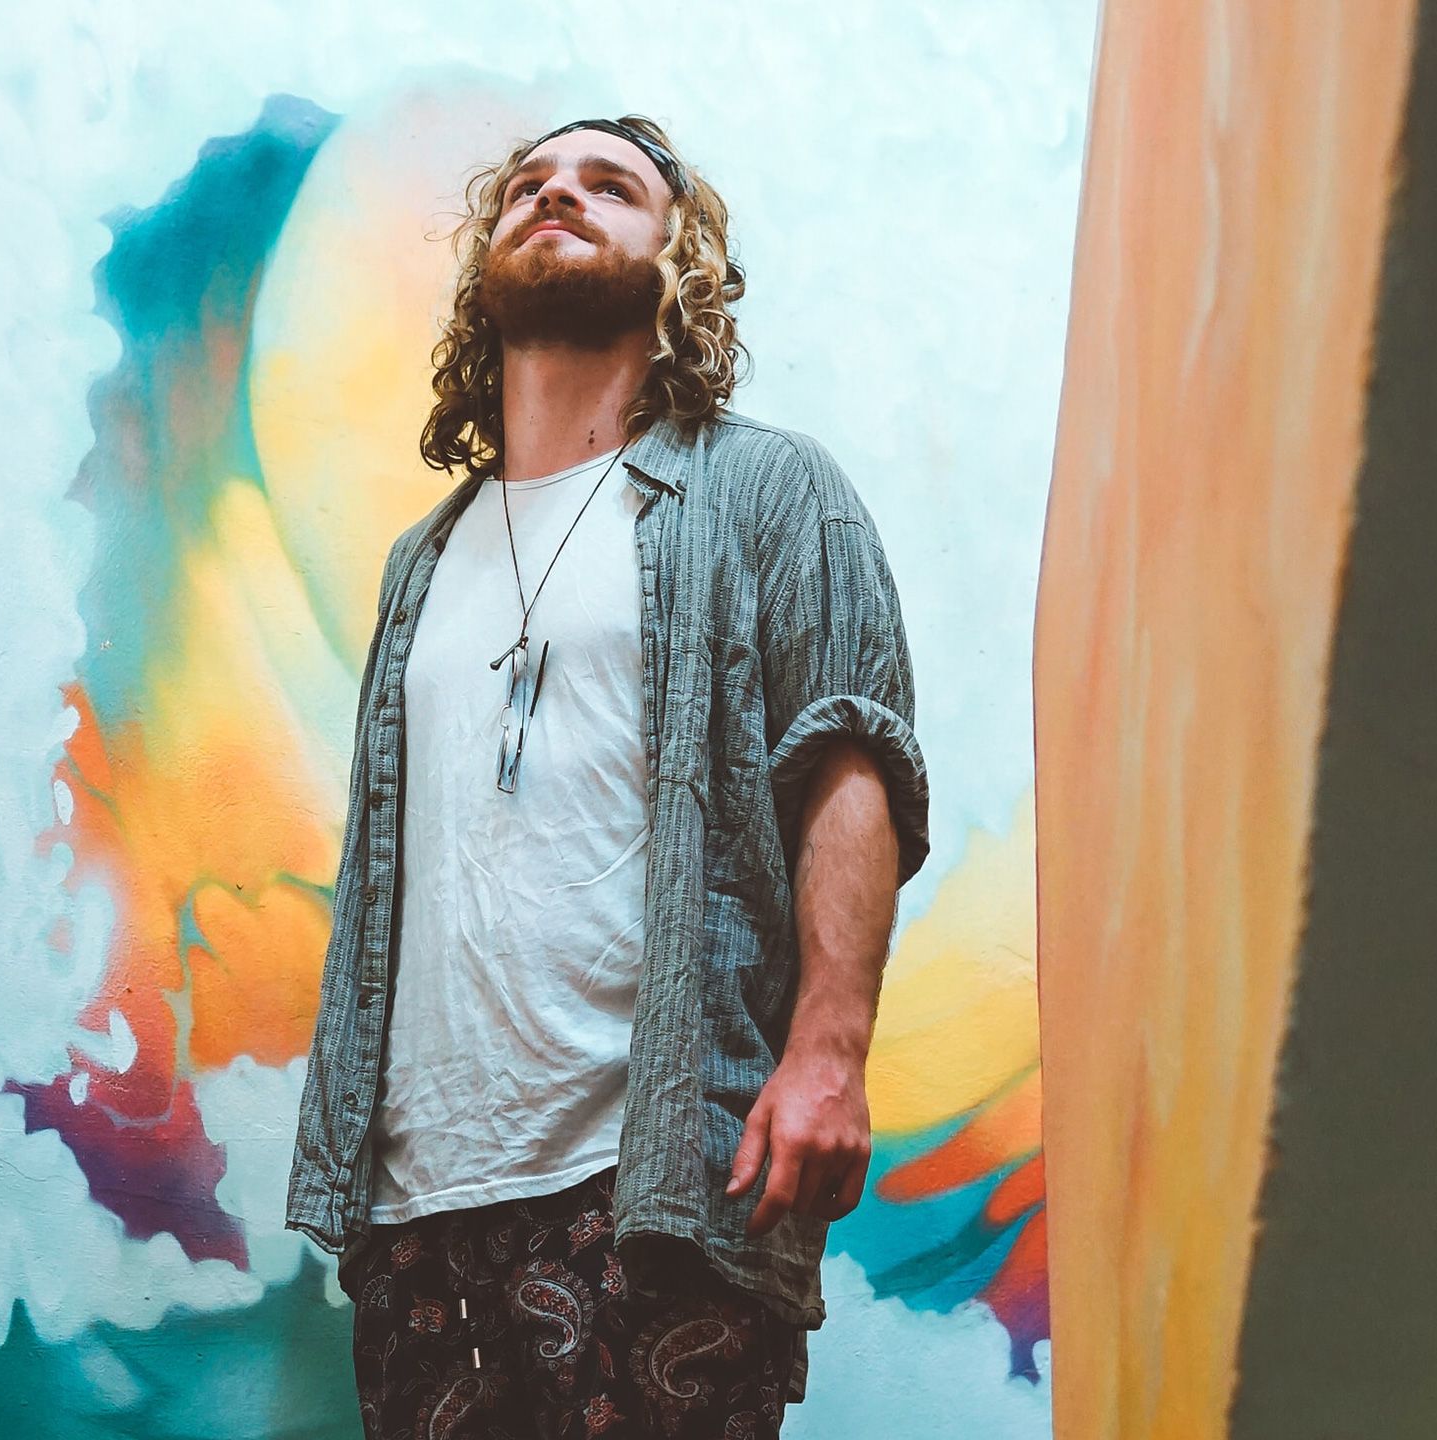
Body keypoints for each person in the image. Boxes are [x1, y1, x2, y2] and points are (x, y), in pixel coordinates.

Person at [284, 113, 929, 1437]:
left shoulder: (768, 490)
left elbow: (852, 756)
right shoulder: (422, 562)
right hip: (417, 1218)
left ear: (679, 259)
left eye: (608, 185)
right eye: (527, 184)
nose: (557, 194)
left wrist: (830, 1051)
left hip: (658, 1190)